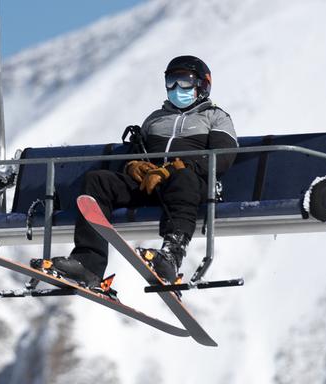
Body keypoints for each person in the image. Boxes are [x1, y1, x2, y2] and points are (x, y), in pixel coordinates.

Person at [46, 55, 238, 288]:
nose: (177, 88)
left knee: (183, 178)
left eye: (184, 81)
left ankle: (171, 255)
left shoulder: (216, 117)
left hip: (190, 187)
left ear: (202, 85)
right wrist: (135, 166)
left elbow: (222, 158)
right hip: (152, 185)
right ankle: (88, 263)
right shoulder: (155, 119)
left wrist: (176, 168)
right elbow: (137, 154)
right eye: (171, 82)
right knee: (97, 181)